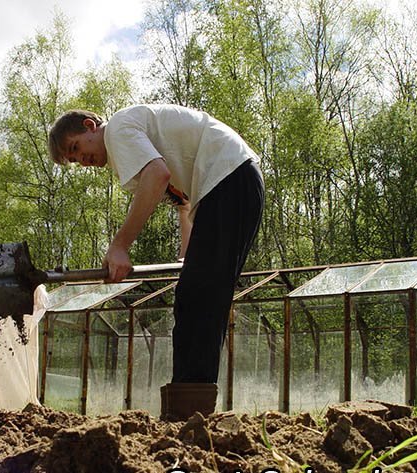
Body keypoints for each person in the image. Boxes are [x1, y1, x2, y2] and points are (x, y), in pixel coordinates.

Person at [48, 104, 264, 420]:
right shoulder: (136, 136)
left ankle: (189, 415)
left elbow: (157, 175)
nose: (82, 160)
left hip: (230, 178)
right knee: (196, 297)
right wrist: (189, 253)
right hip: (228, 183)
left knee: (200, 300)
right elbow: (182, 199)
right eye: (75, 160)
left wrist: (119, 246)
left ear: (90, 125)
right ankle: (189, 412)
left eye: (76, 148)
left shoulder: (118, 129)